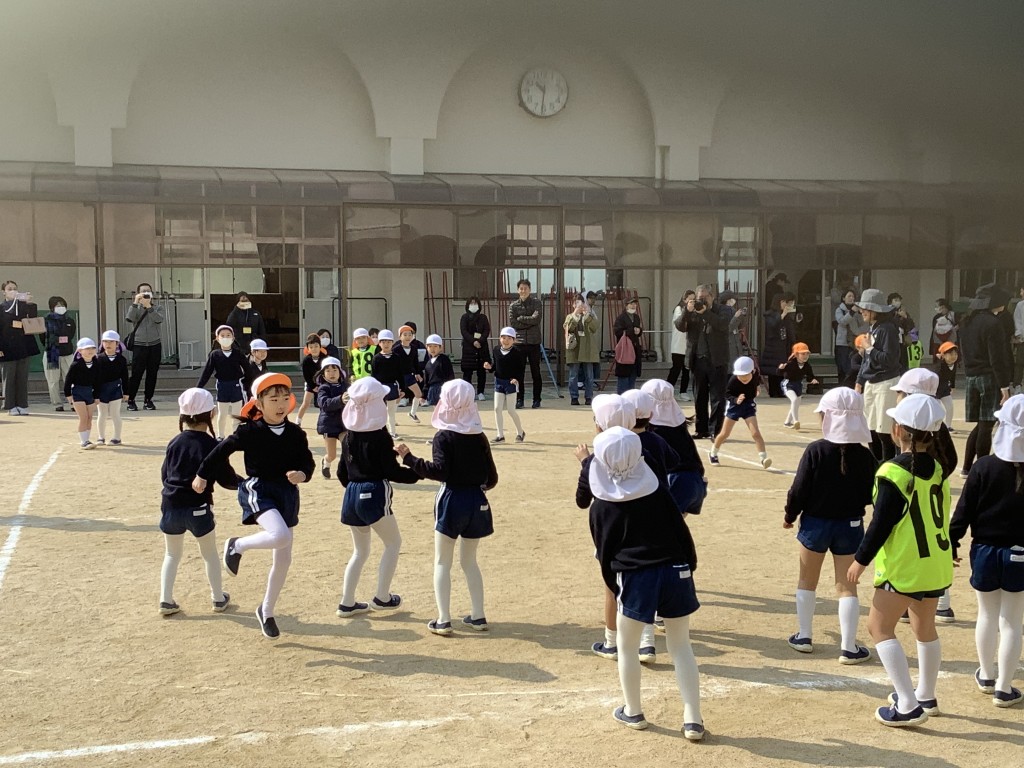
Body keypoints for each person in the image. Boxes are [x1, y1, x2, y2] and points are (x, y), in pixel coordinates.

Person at [586, 427, 704, 738]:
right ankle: (693, 719)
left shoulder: (602, 505)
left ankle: (633, 711)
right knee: (681, 645)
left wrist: (616, 586)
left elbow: (605, 554)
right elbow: (682, 532)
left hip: (635, 575)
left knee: (627, 646)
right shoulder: (658, 491)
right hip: (676, 568)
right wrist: (688, 568)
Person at [848, 394, 952, 727]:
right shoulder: (937, 468)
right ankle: (926, 695)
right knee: (925, 627)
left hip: (906, 564)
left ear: (897, 431)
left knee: (878, 627)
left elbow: (881, 524)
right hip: (935, 562)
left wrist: (860, 560)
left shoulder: (892, 472)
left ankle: (907, 704)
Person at [193, 373, 315, 639]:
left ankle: (266, 610)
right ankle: (237, 545)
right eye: (273, 399)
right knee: (280, 536)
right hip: (259, 490)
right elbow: (220, 451)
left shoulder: (296, 433)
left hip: (287, 495)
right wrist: (202, 474)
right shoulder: (250, 431)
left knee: (283, 559)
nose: (281, 404)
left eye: (285, 398)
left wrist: (303, 474)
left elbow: (307, 462)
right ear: (259, 404)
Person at [397, 380, 499, 635]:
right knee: (470, 561)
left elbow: (440, 471)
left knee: (443, 561)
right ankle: (478, 615)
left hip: (452, 498)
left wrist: (410, 459)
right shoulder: (479, 435)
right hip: (477, 499)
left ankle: (443, 619)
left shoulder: (443, 436)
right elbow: (492, 478)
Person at [783, 388, 876, 663]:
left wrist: (790, 515)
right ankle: (848, 647)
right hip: (850, 524)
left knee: (806, 580)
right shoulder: (865, 456)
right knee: (847, 586)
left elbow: (799, 489)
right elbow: (871, 494)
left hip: (815, 523)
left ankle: (804, 635)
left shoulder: (816, 450)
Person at [949, 394, 1024, 708]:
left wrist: (952, 541)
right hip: (1020, 554)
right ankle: (1004, 688)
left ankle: (987, 674)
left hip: (984, 551)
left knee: (987, 614)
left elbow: (963, 512)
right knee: (1012, 621)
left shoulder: (983, 467)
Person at [335, 377, 419, 617]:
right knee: (393, 543)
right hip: (373, 492)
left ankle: (347, 602)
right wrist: (417, 471)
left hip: (351, 493)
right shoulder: (381, 436)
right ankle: (382, 596)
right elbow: (392, 472)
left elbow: (342, 472)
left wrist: (356, 486)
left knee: (359, 551)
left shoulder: (348, 436)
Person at [158, 388, 238, 616]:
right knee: (209, 554)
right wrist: (246, 483)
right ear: (212, 413)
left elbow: (165, 474)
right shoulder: (212, 445)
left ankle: (165, 600)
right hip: (198, 508)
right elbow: (227, 479)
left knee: (171, 554)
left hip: (171, 505)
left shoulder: (175, 442)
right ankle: (218, 598)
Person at [958, 283, 1014, 477]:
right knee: (987, 424)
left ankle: (966, 467)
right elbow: (997, 358)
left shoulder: (966, 322)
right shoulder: (993, 324)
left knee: (980, 425)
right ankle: (981, 470)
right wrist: (1004, 386)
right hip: (989, 377)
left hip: (971, 376)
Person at [642, 379, 707, 516]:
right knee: (674, 525)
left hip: (675, 481)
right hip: (694, 479)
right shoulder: (679, 423)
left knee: (661, 525)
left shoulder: (654, 431)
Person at [854, 288, 904, 462]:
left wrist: (869, 348)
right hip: (871, 382)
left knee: (884, 431)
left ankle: (887, 465)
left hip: (886, 382)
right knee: (870, 429)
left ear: (875, 310)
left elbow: (890, 359)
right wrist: (859, 381)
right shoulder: (874, 328)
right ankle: (875, 464)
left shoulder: (888, 329)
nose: (862, 311)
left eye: (865, 309)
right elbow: (866, 360)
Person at [682, 284, 733, 438]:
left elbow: (722, 324)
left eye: (705, 298)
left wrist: (706, 313)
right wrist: (687, 311)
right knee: (699, 397)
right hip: (698, 360)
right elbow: (680, 326)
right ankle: (701, 429)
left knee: (718, 398)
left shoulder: (724, 310)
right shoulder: (693, 311)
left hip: (717, 360)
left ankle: (715, 431)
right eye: (699, 298)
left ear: (712, 297)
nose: (702, 301)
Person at [709, 356, 771, 469]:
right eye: (740, 375)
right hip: (734, 407)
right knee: (724, 434)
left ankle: (763, 458)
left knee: (755, 433)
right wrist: (736, 399)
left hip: (748, 406)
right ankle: (713, 453)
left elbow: (757, 381)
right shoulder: (733, 380)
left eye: (746, 374)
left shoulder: (755, 375)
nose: (743, 377)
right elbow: (727, 394)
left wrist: (757, 387)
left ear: (752, 371)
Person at [197, 325, 249, 439]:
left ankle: (236, 435)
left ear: (233, 338)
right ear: (217, 338)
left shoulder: (238, 354)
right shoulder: (214, 355)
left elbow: (248, 370)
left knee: (236, 413)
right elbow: (207, 372)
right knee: (222, 413)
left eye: (228, 335)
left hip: (236, 385)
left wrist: (251, 385)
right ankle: (220, 435)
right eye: (223, 335)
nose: (226, 338)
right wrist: (198, 388)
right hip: (222, 385)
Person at [0, 280, 40, 415]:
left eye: (15, 288)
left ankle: (22, 404)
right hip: (7, 347)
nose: (13, 291)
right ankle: (9, 405)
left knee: (22, 378)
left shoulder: (23, 306)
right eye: (9, 289)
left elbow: (33, 319)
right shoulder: (1, 308)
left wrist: (29, 303)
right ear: (4, 292)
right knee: (9, 378)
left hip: (23, 346)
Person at [125, 282, 164, 411]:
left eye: (148, 291)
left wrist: (149, 307)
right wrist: (136, 303)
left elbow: (158, 319)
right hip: (139, 345)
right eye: (143, 291)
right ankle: (131, 400)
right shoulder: (135, 308)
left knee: (152, 374)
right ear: (138, 293)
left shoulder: (157, 308)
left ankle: (148, 400)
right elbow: (130, 318)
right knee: (136, 374)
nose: (146, 293)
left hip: (155, 344)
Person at [482, 328, 525, 444]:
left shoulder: (517, 352)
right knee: (497, 409)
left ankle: (520, 432)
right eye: (503, 338)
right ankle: (500, 435)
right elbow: (495, 366)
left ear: (514, 340)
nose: (506, 341)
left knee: (511, 410)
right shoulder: (496, 350)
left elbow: (521, 369)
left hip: (511, 383)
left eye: (509, 338)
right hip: (499, 382)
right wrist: (489, 367)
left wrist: (516, 379)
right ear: (500, 338)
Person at [508, 278, 544, 409]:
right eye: (521, 288)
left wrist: (522, 319)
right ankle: (520, 399)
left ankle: (537, 399)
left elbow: (536, 319)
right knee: (518, 373)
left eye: (526, 288)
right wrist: (529, 322)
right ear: (518, 290)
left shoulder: (536, 303)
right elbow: (514, 323)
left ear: (530, 290)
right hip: (519, 343)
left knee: (536, 372)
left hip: (534, 343)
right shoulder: (513, 306)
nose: (523, 291)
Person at [315, 356, 347, 479]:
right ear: (323, 375)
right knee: (332, 455)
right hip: (329, 425)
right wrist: (340, 400)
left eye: (334, 370)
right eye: (328, 371)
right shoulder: (323, 388)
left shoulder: (346, 386)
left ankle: (347, 471)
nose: (332, 373)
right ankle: (326, 462)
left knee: (348, 448)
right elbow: (324, 403)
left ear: (340, 372)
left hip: (344, 424)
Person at [95, 330, 129, 446]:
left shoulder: (121, 359)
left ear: (117, 343)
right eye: (105, 342)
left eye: (111, 342)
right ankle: (101, 437)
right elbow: (94, 377)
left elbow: (125, 377)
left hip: (115, 388)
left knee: (115, 414)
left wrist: (126, 392)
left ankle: (117, 437)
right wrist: (95, 392)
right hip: (101, 389)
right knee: (102, 414)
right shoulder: (98, 358)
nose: (108, 344)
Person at [762, 291, 798, 398]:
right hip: (773, 345)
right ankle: (774, 391)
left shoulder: (786, 315)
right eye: (783, 302)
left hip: (784, 345)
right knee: (774, 369)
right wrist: (782, 315)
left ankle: (782, 391)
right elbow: (772, 325)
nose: (785, 304)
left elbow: (790, 329)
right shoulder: (770, 314)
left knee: (783, 368)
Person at [64, 338, 99, 449]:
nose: (90, 351)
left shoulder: (96, 363)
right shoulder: (76, 365)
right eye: (87, 348)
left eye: (92, 348)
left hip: (90, 392)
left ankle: (87, 439)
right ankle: (84, 441)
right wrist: (68, 395)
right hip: (78, 392)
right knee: (83, 417)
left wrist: (97, 396)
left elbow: (97, 381)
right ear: (80, 351)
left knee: (89, 417)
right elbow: (68, 381)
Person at [43, 296, 76, 412]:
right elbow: (43, 337)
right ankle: (57, 403)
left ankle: (73, 403)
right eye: (57, 305)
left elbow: (71, 335)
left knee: (71, 379)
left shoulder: (69, 320)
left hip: (67, 353)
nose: (60, 307)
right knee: (53, 380)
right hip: (52, 353)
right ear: (52, 307)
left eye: (62, 305)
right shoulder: (46, 320)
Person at [371, 329, 406, 438]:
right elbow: (373, 375)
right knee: (380, 411)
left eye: (388, 342)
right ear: (379, 343)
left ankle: (392, 432)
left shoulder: (396, 358)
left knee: (391, 411)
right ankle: (380, 432)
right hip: (380, 387)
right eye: (383, 342)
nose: (386, 344)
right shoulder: (376, 358)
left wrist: (402, 389)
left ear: (392, 343)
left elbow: (400, 374)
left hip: (392, 386)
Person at [564, 297, 599, 406]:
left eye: (582, 304)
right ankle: (574, 397)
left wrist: (587, 316)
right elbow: (568, 328)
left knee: (589, 375)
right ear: (573, 305)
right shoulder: (570, 316)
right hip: (575, 349)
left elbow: (595, 328)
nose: (580, 307)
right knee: (573, 375)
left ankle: (589, 397)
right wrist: (575, 315)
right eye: (578, 304)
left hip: (588, 349)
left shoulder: (589, 316)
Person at [781, 342, 819, 431]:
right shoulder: (790, 363)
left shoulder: (807, 365)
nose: (805, 356)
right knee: (794, 400)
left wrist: (813, 379)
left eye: (807, 354)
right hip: (788, 384)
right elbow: (779, 373)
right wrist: (780, 368)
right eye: (803, 354)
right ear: (796, 354)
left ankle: (787, 422)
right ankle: (796, 421)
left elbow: (810, 376)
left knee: (796, 404)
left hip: (798, 385)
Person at [460, 296, 491, 400]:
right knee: (467, 372)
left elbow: (486, 330)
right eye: (471, 303)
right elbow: (464, 331)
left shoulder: (483, 317)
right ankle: (468, 393)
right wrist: (473, 341)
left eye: (475, 303)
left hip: (482, 347)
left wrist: (480, 341)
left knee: (481, 371)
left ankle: (481, 392)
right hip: (469, 347)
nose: (473, 305)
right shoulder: (464, 317)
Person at [835, 288, 869, 383]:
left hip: (855, 342)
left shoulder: (857, 311)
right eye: (849, 296)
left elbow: (864, 324)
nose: (851, 298)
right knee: (842, 367)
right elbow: (842, 322)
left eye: (853, 296)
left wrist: (859, 313)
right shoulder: (839, 310)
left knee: (851, 366)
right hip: (843, 343)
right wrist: (851, 312)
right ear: (843, 298)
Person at [611, 298, 644, 394]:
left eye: (634, 304)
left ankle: (630, 397)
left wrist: (639, 331)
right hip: (624, 350)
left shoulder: (636, 317)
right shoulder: (621, 318)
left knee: (633, 375)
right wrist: (630, 330)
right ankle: (622, 396)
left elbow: (638, 330)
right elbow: (617, 332)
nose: (633, 306)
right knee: (624, 376)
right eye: (631, 304)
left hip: (635, 349)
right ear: (626, 306)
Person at [667, 290, 695, 401]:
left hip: (688, 346)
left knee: (686, 370)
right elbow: (681, 323)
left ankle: (683, 391)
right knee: (676, 369)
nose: (692, 301)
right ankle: (667, 390)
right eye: (690, 299)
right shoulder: (679, 309)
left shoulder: (694, 311)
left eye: (694, 299)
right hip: (678, 346)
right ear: (684, 299)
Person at [394, 323, 426, 420]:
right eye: (405, 334)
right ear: (400, 336)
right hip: (399, 377)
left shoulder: (414, 348)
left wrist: (417, 373)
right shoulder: (396, 349)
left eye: (410, 334)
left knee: (418, 394)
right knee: (397, 398)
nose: (408, 337)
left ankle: (412, 413)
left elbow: (415, 363)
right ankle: (391, 417)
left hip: (410, 376)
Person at [295, 333, 327, 428]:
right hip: (310, 384)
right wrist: (313, 386)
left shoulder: (325, 358)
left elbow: (326, 372)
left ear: (320, 346)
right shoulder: (306, 360)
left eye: (316, 346)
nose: (314, 349)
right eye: (311, 347)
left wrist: (321, 385)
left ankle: (323, 422)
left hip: (323, 383)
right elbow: (306, 375)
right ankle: (298, 421)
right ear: (308, 348)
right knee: (306, 403)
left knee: (323, 403)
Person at [422, 334, 455, 406]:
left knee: (445, 407)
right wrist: (424, 395)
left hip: (443, 387)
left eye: (435, 346)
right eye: (430, 346)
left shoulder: (444, 359)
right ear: (426, 347)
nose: (432, 349)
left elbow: (450, 375)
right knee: (435, 408)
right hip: (432, 389)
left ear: (441, 347)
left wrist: (451, 388)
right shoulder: (428, 363)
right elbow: (426, 381)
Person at [934, 341, 959, 430]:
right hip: (935, 390)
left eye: (955, 354)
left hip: (945, 389)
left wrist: (952, 386)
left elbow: (953, 376)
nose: (954, 356)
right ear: (943, 355)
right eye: (951, 354)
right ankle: (937, 427)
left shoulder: (954, 364)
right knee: (938, 410)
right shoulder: (939, 365)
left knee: (950, 407)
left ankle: (948, 426)